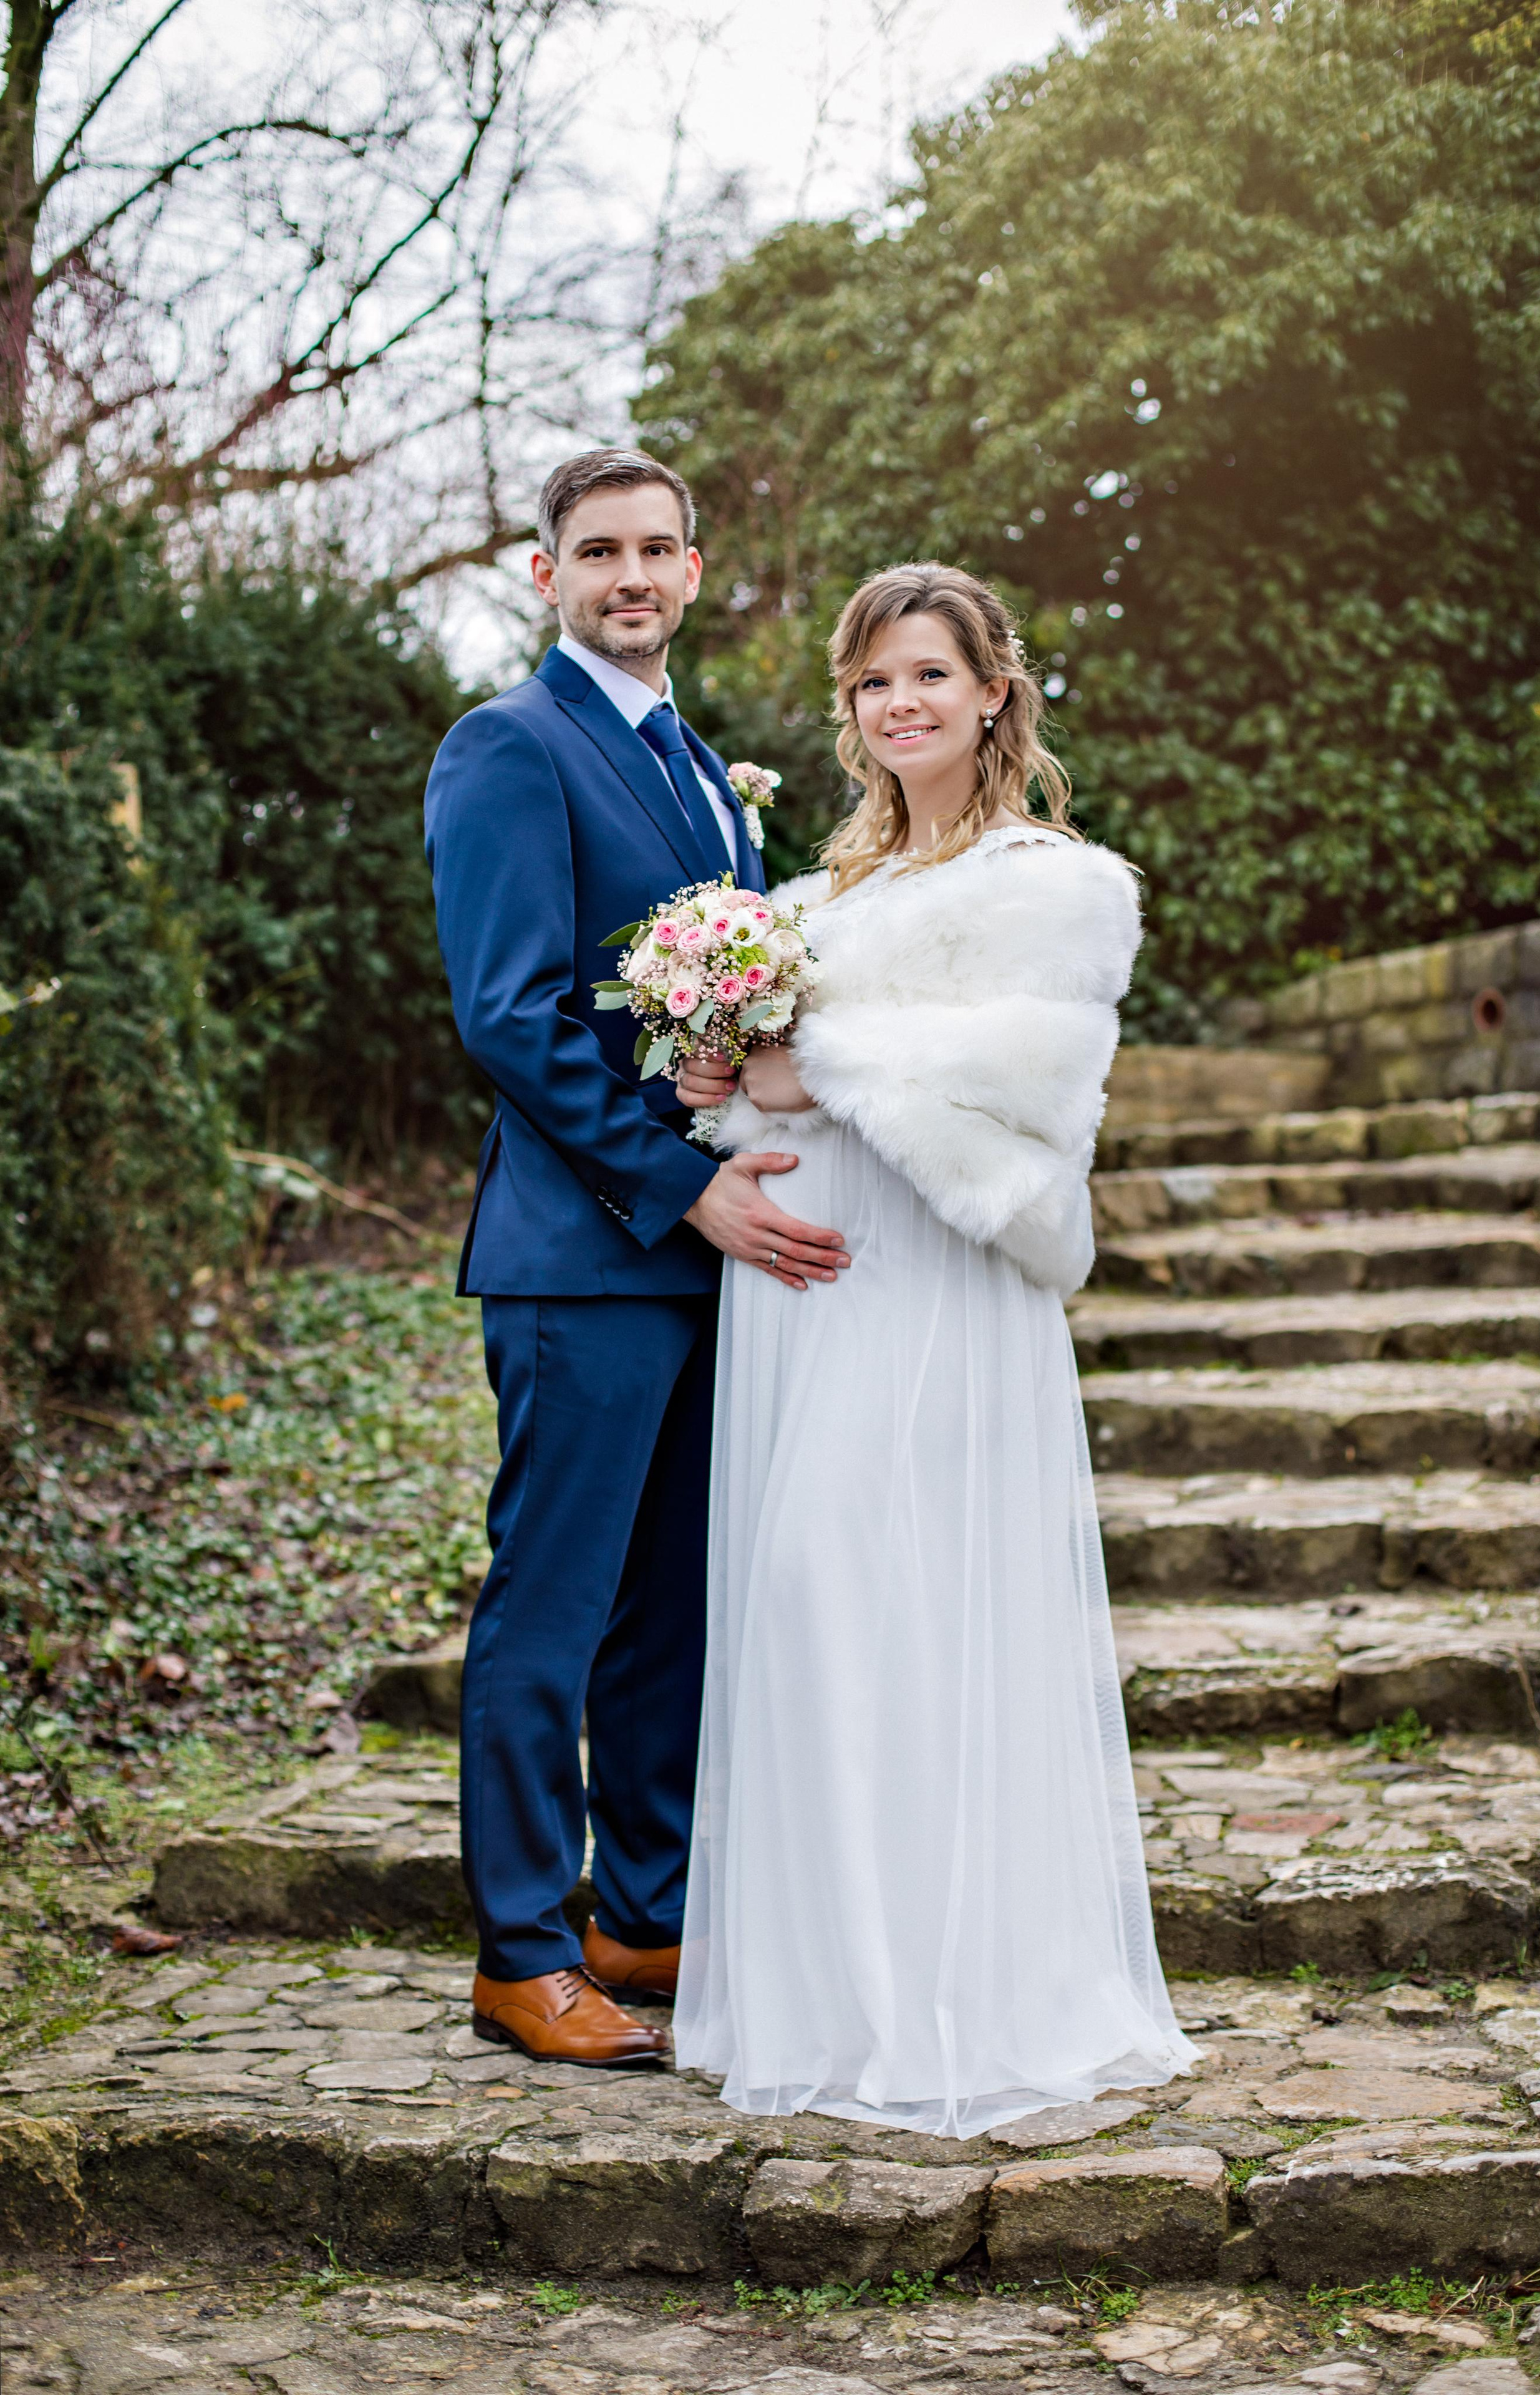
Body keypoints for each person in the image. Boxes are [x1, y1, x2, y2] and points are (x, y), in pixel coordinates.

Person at [672, 562, 1196, 2136]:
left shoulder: (1058, 882)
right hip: (803, 1280)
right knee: (807, 1608)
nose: (901, 703)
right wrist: (709, 1072)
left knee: (893, 1590)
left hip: (938, 1281)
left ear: (991, 693)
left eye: (928, 675)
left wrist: (802, 1060)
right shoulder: (807, 903)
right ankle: (835, 1996)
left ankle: (965, 1998)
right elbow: (746, 1086)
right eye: (872, 684)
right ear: (849, 713)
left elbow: (1024, 1081)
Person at [424, 448, 850, 2071]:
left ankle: (640, 1910)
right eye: (597, 550)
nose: (630, 575)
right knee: (554, 1603)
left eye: (657, 549)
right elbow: (514, 1016)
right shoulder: (508, 748)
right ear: (547, 575)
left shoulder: (694, 769)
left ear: (692, 567)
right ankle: (521, 1952)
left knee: (670, 1607)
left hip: (702, 1257)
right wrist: (683, 1187)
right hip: (584, 1254)